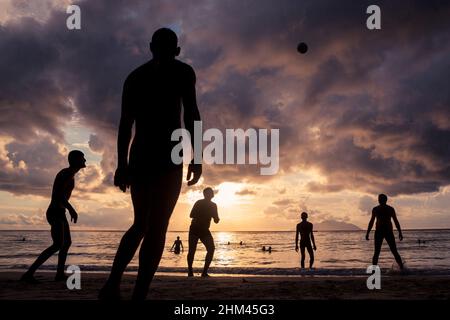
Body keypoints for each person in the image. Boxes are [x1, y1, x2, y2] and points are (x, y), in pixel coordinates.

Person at [99, 28, 202, 300]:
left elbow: (125, 124)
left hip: (143, 155)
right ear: (177, 50)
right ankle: (137, 292)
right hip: (167, 157)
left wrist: (122, 164)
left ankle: (113, 284)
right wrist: (197, 157)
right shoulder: (182, 72)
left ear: (150, 47)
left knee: (141, 224)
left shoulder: (135, 77)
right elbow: (191, 114)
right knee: (155, 227)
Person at [21, 150, 86, 283]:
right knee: (57, 244)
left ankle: (59, 274)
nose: (85, 161)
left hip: (60, 212)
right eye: (82, 158)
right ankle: (29, 274)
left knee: (66, 243)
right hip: (55, 212)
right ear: (75, 160)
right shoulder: (67, 173)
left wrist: (67, 209)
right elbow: (59, 195)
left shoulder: (70, 174)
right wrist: (72, 209)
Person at [187, 187, 219, 277]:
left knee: (211, 249)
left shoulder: (214, 205)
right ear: (205, 194)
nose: (212, 194)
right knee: (192, 250)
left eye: (212, 192)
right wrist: (205, 213)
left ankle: (204, 272)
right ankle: (190, 271)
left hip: (205, 230)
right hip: (195, 228)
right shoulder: (199, 202)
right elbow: (191, 215)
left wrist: (216, 218)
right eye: (210, 193)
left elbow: (216, 220)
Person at [366, 194, 404, 269]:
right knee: (377, 253)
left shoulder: (390, 209)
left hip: (388, 232)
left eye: (381, 199)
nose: (379, 200)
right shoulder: (376, 209)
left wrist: (400, 232)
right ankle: (374, 271)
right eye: (379, 199)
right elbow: (371, 221)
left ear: (385, 200)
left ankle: (402, 269)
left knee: (394, 251)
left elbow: (396, 221)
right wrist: (368, 232)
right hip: (379, 232)